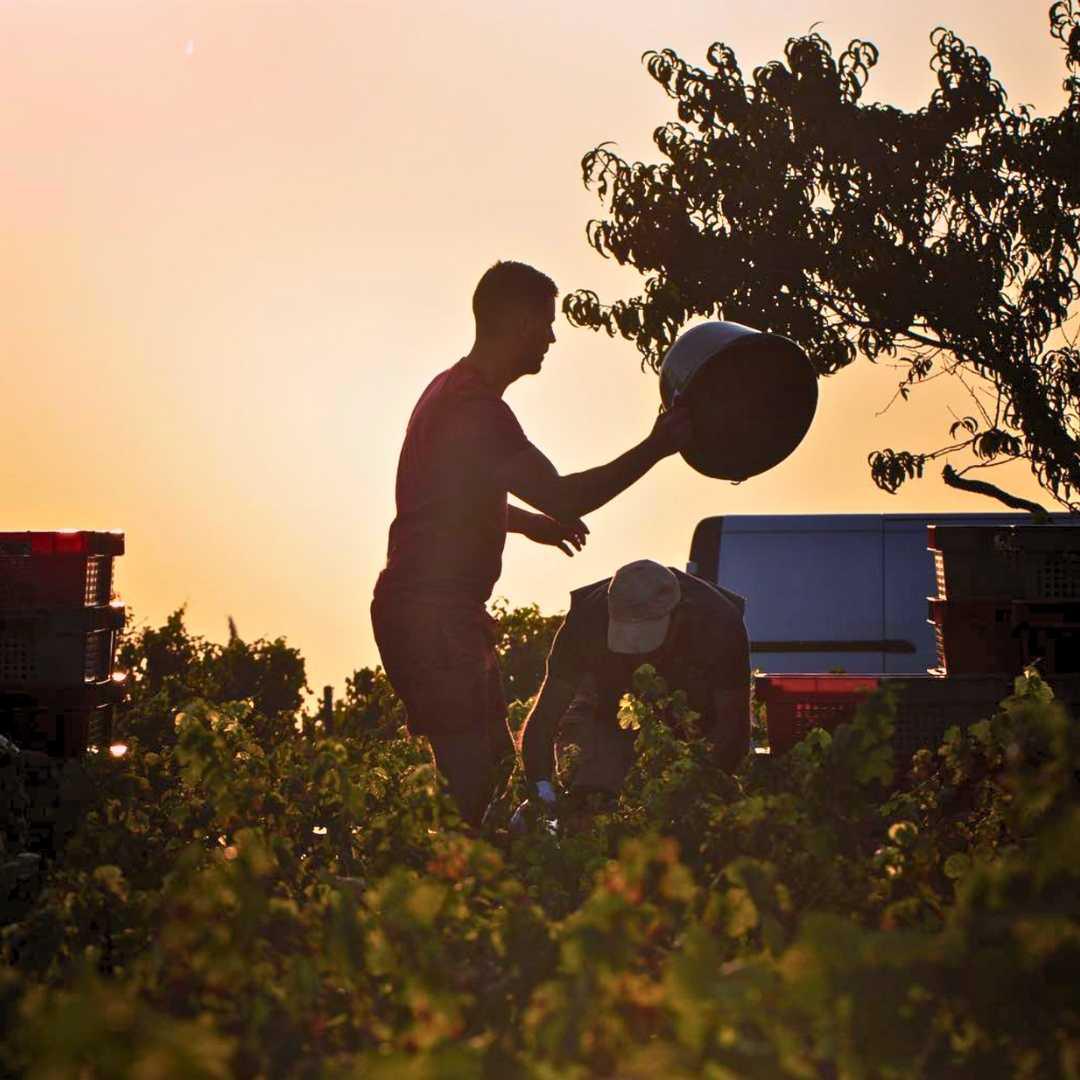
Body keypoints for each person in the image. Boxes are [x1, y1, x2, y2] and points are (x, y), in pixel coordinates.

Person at [370, 261, 693, 826]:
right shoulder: (477, 411)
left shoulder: (450, 392)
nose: (551, 336)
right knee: (475, 789)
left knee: (489, 770)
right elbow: (565, 496)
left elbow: (451, 493)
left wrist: (522, 524)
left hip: (435, 612)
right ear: (517, 321)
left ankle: (455, 886)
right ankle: (440, 897)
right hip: (433, 616)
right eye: (545, 322)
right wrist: (656, 447)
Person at [514, 559, 751, 825]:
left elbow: (734, 726)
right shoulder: (586, 619)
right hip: (608, 710)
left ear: (676, 613)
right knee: (590, 798)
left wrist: (696, 787)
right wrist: (542, 791)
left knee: (698, 812)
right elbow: (545, 716)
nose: (639, 653)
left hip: (696, 713)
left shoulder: (718, 622)